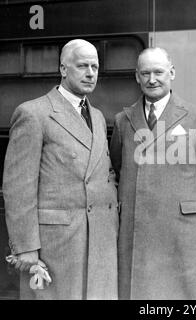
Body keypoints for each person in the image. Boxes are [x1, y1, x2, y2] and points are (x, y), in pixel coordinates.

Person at [3, 39, 119, 299]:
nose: (91, 73)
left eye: (95, 67)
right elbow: (18, 187)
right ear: (64, 69)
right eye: (82, 66)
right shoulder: (34, 114)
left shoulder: (97, 116)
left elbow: (104, 173)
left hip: (99, 238)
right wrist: (25, 248)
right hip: (58, 244)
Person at [110, 47, 196, 300]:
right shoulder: (123, 120)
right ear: (137, 77)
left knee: (182, 295)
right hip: (135, 227)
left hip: (181, 229)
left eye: (159, 72)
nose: (152, 79)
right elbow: (119, 168)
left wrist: (184, 203)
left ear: (171, 73)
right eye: (145, 73)